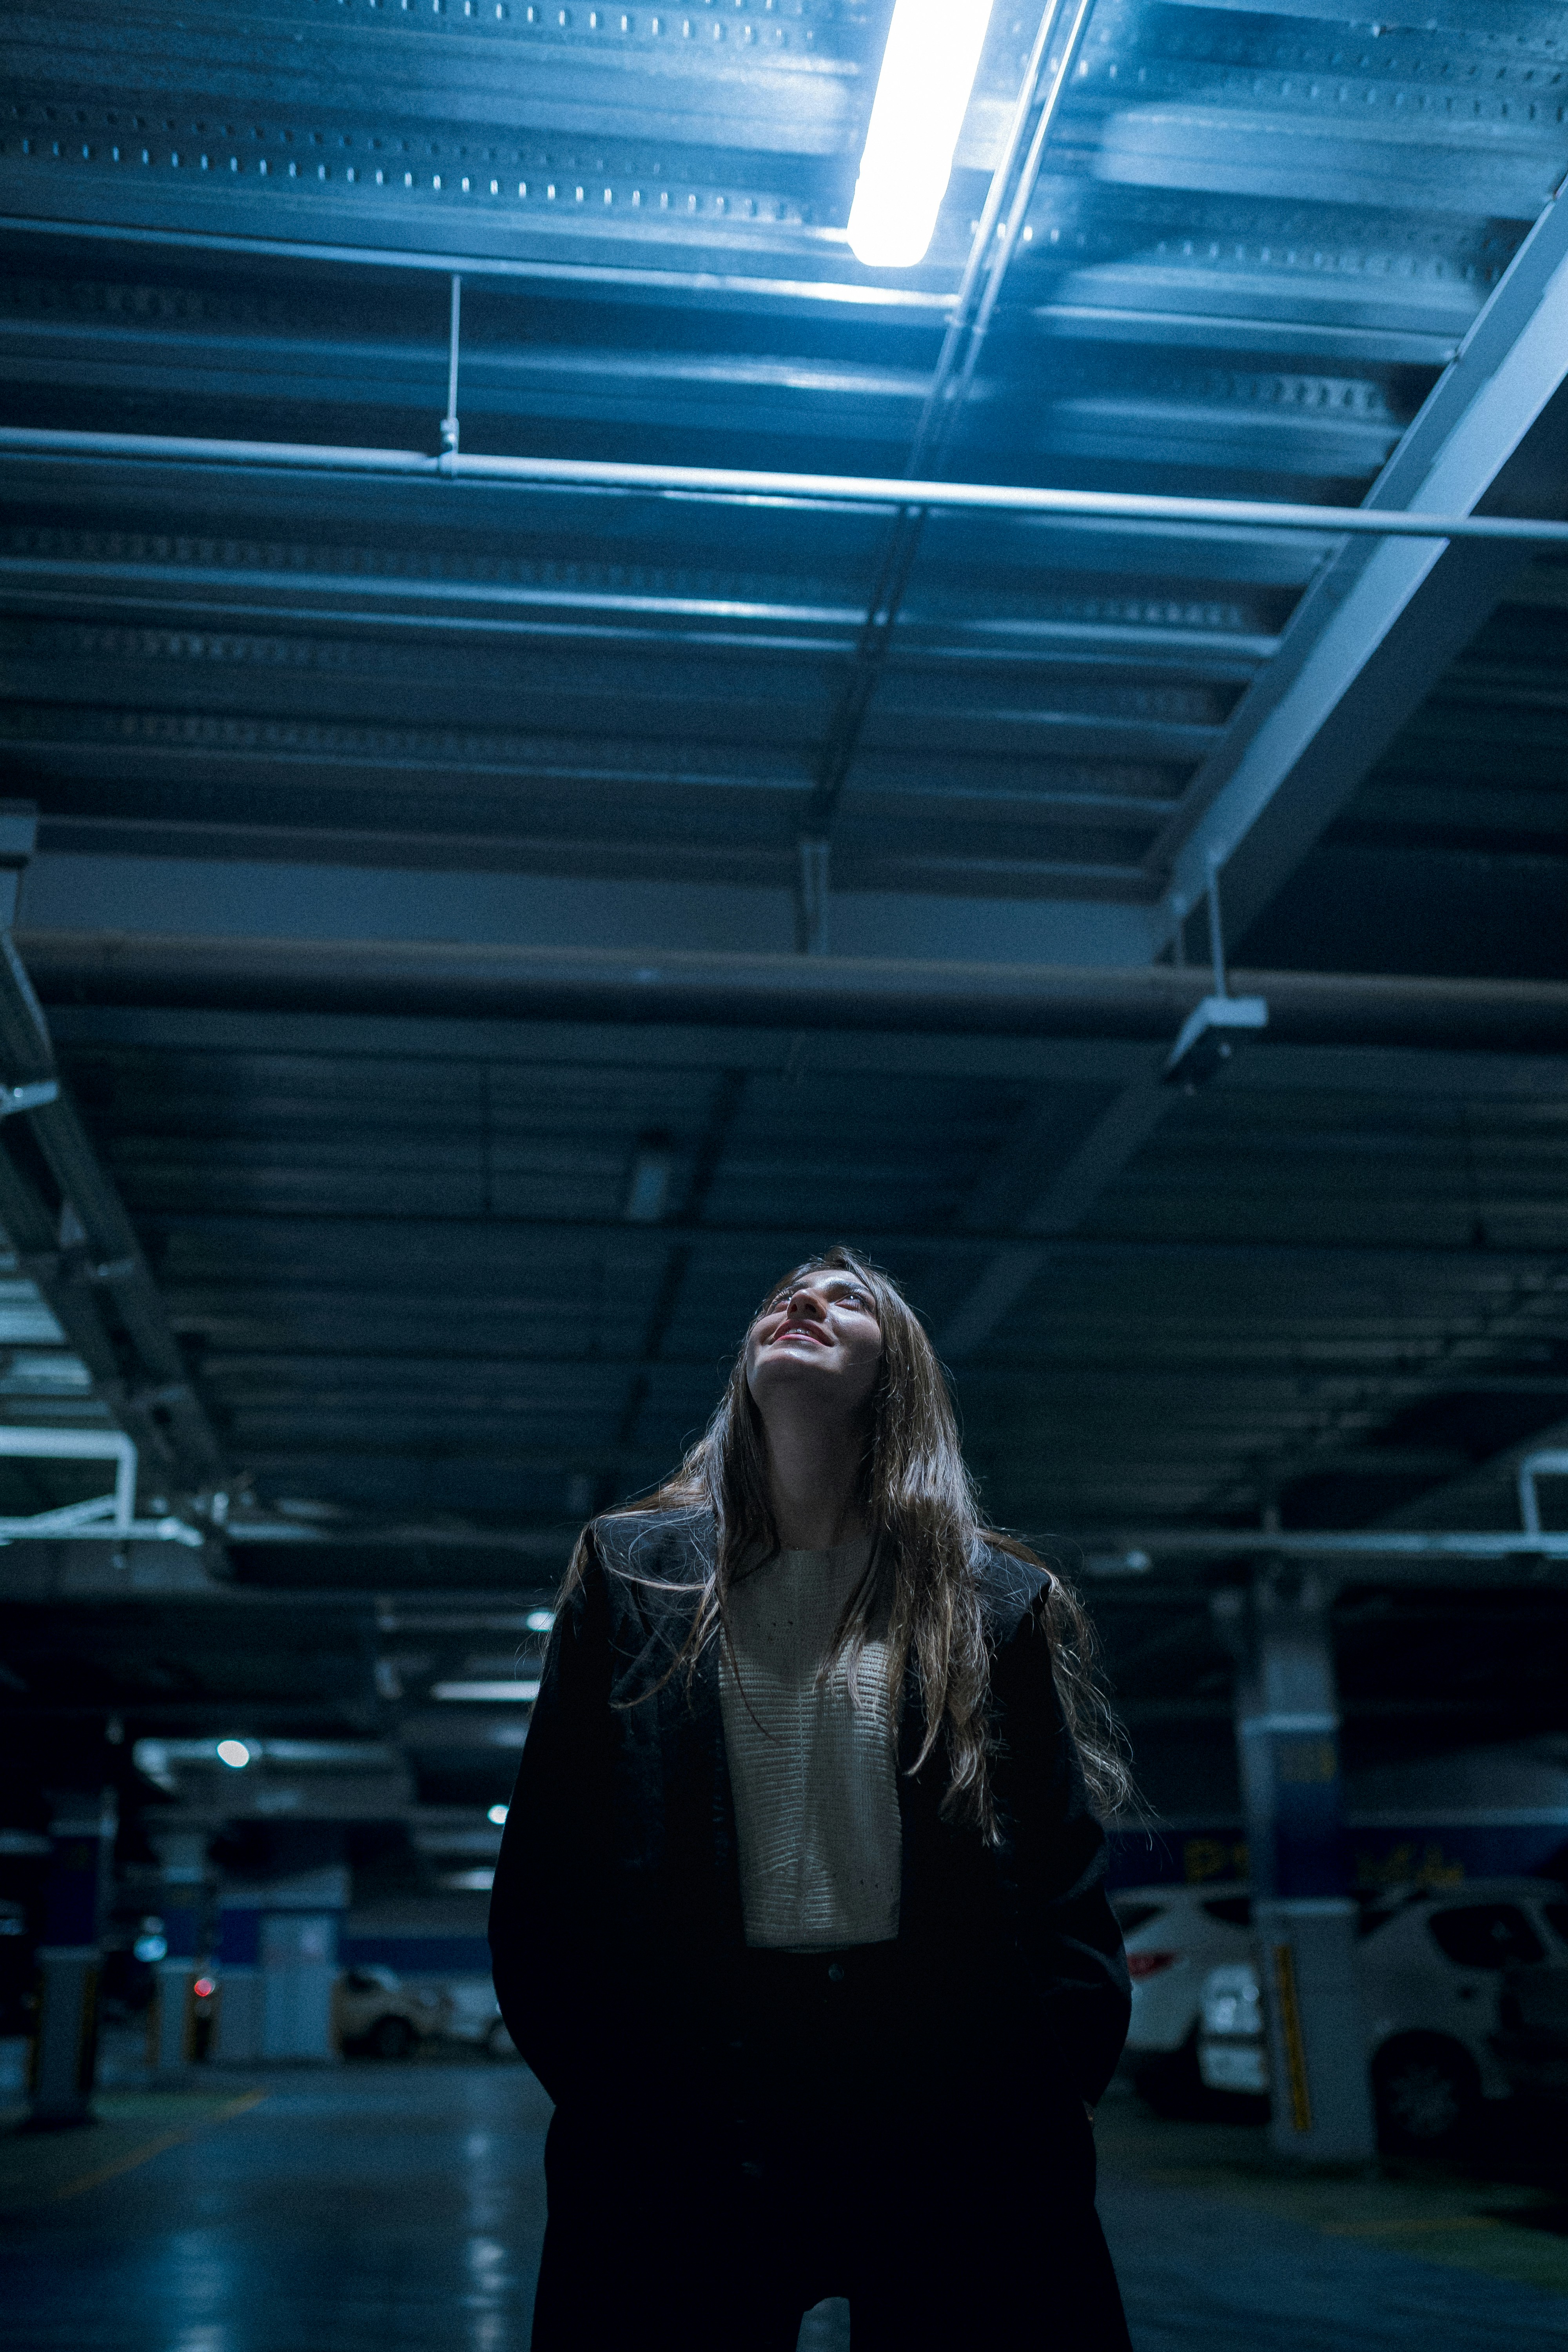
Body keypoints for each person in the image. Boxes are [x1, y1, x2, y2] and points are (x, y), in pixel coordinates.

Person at [490, 1246, 1134, 2351]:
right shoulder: (636, 1570)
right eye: (784, 1297)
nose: (801, 1304)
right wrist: (606, 2087)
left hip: (947, 2094)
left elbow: (1056, 1872)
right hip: (689, 2095)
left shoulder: (991, 1597)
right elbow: (554, 1860)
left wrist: (1058, 2081)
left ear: (901, 1373)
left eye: (847, 1299)